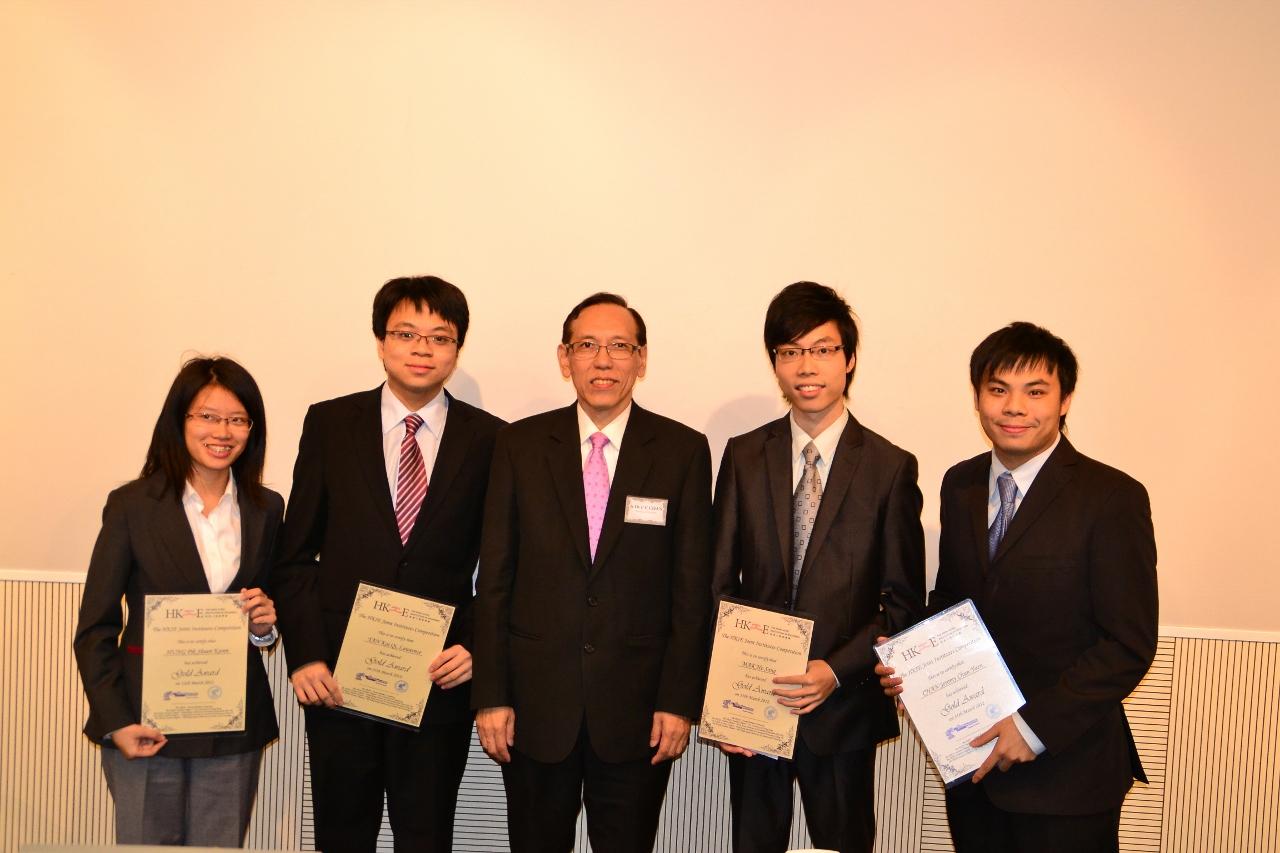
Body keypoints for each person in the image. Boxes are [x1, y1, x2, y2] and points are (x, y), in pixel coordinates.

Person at [877, 321, 1158, 853]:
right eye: (998, 389)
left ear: (1065, 399)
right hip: (975, 768)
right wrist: (909, 658)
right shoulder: (959, 484)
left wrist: (1032, 729)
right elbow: (955, 604)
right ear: (978, 397)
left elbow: (1128, 643)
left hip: (1067, 773)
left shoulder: (1112, 497)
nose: (1014, 407)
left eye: (1036, 391)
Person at [472, 292, 713, 853]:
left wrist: (678, 700)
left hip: (638, 714)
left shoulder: (682, 451)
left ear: (641, 359)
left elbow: (691, 590)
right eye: (587, 346)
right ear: (565, 358)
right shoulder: (519, 445)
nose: (603, 361)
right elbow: (496, 580)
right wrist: (491, 695)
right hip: (533, 710)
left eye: (619, 347)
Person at [273, 275, 505, 852]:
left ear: (457, 350)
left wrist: (474, 645)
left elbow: (504, 565)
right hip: (337, 684)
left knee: (425, 837)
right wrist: (305, 655)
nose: (422, 349)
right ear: (381, 341)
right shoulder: (329, 423)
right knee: (341, 835)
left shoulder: (493, 440)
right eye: (407, 333)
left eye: (439, 337)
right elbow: (296, 554)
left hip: (435, 679)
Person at [710, 282, 926, 853]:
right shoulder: (742, 455)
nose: (807, 366)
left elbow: (902, 601)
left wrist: (835, 669)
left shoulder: (890, 468)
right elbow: (716, 584)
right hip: (752, 706)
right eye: (790, 351)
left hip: (844, 707)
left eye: (823, 349)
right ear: (776, 364)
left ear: (849, 360)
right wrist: (727, 692)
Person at [73, 356, 283, 847]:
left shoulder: (265, 508)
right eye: (207, 416)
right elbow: (96, 628)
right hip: (146, 725)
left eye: (237, 419)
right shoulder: (132, 505)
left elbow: (267, 609)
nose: (222, 431)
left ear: (252, 429)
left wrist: (263, 628)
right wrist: (116, 720)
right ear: (180, 420)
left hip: (231, 727)